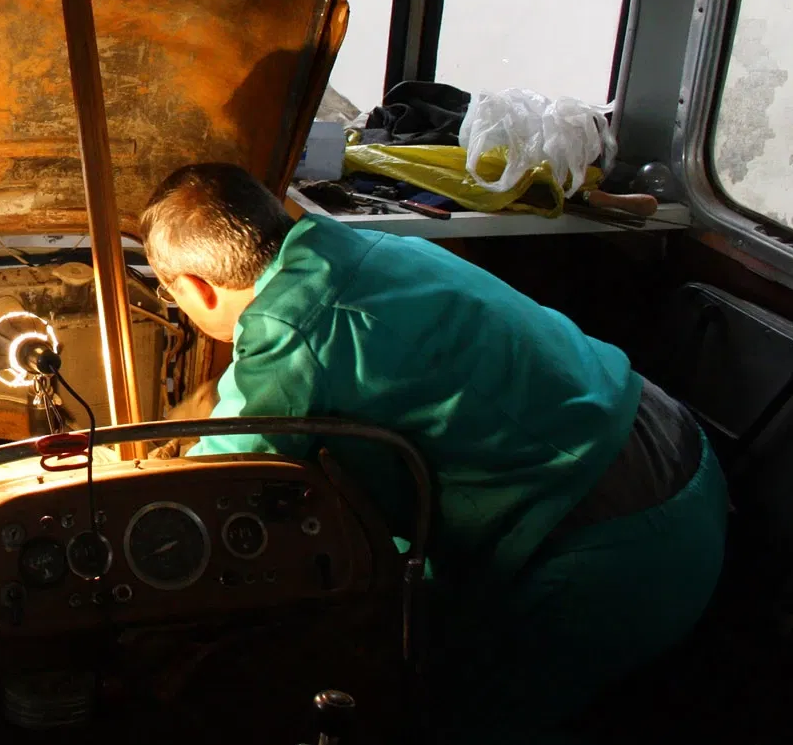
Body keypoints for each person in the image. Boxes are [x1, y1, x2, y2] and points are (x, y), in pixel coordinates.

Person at [141, 162, 727, 741]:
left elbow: (216, 490)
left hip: (618, 548)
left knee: (442, 720)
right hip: (683, 456)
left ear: (192, 286)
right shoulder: (365, 246)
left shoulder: (288, 326)